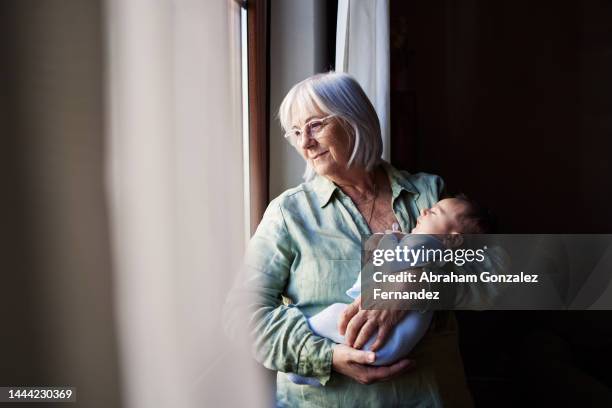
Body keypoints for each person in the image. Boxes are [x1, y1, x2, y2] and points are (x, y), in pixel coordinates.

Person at [225, 72, 505, 407]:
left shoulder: (428, 195)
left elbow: (497, 277)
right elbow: (241, 315)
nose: (305, 143)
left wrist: (413, 282)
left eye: (315, 125)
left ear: (353, 119)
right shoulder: (288, 214)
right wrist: (327, 357)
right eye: (296, 132)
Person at [286, 196, 494, 387]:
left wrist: (386, 241)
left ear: (453, 239)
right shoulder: (432, 250)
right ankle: (312, 365)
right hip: (393, 347)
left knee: (332, 316)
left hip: (380, 340)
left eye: (433, 212)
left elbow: (381, 265)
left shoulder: (426, 243)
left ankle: (304, 365)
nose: (423, 210)